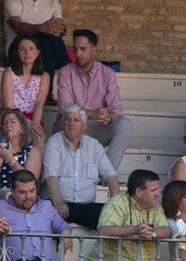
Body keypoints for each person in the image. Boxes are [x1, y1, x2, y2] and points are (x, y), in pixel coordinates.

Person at [55, 29, 133, 170]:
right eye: (75, 49)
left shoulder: (107, 73)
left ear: (94, 50)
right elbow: (66, 108)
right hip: (69, 126)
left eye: (83, 49)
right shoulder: (66, 72)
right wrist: (91, 114)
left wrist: (107, 117)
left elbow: (116, 109)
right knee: (73, 120)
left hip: (94, 128)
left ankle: (106, 174)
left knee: (124, 125)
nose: (78, 54)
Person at [42, 104, 117, 231]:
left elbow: (111, 176)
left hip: (86, 207)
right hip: (62, 204)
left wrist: (115, 205)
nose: (71, 123)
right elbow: (51, 176)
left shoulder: (94, 146)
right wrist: (58, 202)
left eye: (76, 120)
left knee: (111, 217)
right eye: (68, 120)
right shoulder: (54, 143)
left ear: (84, 126)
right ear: (63, 124)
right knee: (46, 212)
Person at [3, 0, 69, 74]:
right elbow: (18, 27)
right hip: (19, 50)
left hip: (47, 51)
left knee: (51, 40)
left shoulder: (52, 1)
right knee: (43, 42)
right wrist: (41, 28)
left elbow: (59, 28)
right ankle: (68, 72)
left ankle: (68, 74)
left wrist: (61, 29)